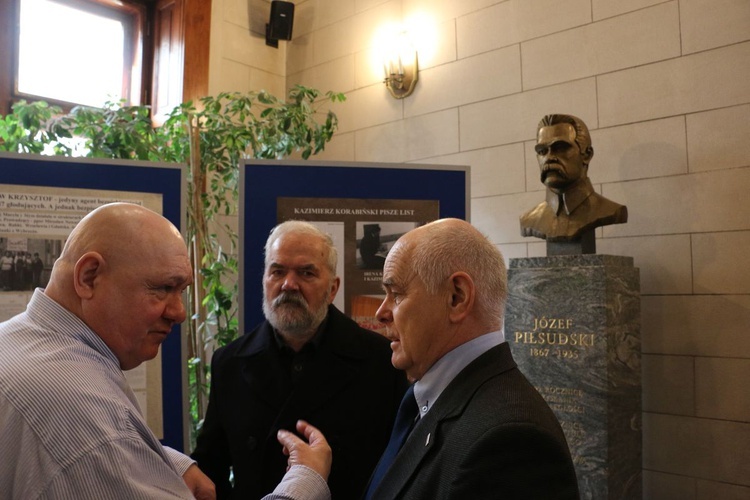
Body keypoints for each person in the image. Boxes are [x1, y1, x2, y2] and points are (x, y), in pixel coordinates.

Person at [0, 203, 332, 500]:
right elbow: (92, 443)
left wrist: (160, 462)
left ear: (333, 287)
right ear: (89, 277)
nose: (179, 312)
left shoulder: (14, 340)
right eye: (163, 288)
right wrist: (305, 481)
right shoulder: (85, 414)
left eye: (182, 290)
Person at [363, 218, 580, 499]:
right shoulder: (431, 399)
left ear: (457, 297)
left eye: (397, 294)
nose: (381, 312)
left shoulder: (509, 443)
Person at [192, 220, 408, 500]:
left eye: (306, 273)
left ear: (332, 289)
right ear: (264, 281)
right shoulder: (229, 362)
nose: (289, 284)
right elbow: (212, 467)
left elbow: (398, 469)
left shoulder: (381, 361)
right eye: (277, 271)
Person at [520, 113, 627, 241]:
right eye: (542, 151)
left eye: (560, 148)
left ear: (587, 155)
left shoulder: (610, 210)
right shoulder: (530, 219)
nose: (549, 158)